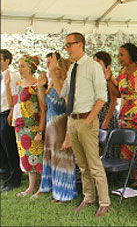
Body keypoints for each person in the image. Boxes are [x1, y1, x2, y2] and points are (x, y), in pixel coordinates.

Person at [60, 32, 111, 217]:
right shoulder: (72, 67)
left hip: (87, 120)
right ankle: (89, 197)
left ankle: (104, 202)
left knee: (94, 163)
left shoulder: (93, 67)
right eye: (65, 45)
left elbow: (103, 97)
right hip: (73, 120)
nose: (66, 48)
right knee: (81, 164)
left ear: (80, 44)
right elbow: (64, 91)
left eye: (69, 44)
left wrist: (89, 120)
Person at [105, 43, 137, 189]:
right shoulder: (121, 73)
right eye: (118, 55)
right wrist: (109, 80)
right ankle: (134, 178)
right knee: (128, 148)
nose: (119, 58)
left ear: (131, 54)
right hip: (125, 116)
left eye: (122, 55)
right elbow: (119, 94)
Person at [38, 53, 78, 203]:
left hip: (61, 125)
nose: (55, 70)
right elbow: (44, 102)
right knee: (52, 158)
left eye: (58, 68)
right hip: (51, 126)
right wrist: (40, 86)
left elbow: (63, 96)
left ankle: (65, 193)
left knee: (62, 159)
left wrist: (53, 72)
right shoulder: (53, 83)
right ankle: (55, 190)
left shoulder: (66, 85)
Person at [5, 55, 46, 198]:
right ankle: (31, 186)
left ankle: (42, 187)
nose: (20, 69)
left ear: (31, 67)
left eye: (23, 66)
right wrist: (6, 85)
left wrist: (40, 131)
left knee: (37, 157)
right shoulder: (19, 85)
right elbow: (12, 104)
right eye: (19, 65)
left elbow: (43, 109)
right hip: (20, 127)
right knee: (26, 157)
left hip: (33, 127)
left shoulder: (36, 86)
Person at [0, 49, 22, 191]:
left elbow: (15, 99)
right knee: (1, 149)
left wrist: (11, 114)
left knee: (10, 148)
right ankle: (5, 175)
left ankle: (14, 179)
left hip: (7, 114)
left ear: (7, 60)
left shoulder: (13, 77)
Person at [93, 51, 119, 131]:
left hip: (107, 116)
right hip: (97, 115)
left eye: (98, 61)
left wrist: (107, 120)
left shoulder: (110, 79)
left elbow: (113, 101)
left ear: (105, 63)